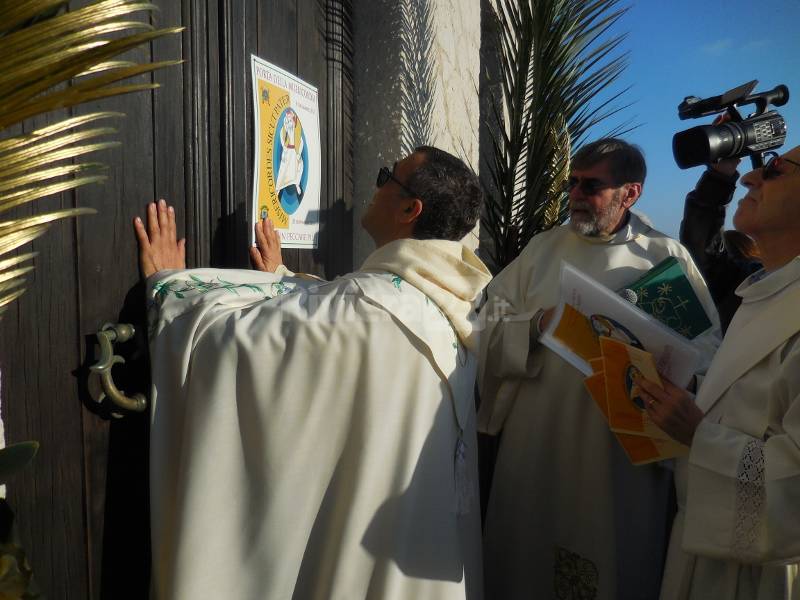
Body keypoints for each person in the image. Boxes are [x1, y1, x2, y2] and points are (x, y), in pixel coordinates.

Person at [135, 146, 492, 600]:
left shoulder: (362, 312)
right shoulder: (447, 306)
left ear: (409, 209)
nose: (377, 183)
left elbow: (237, 345)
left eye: (388, 176)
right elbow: (339, 312)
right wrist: (282, 279)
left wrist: (173, 289)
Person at [477, 138, 721, 600]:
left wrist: (666, 368)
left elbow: (708, 355)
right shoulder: (541, 250)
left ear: (631, 194)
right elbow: (485, 323)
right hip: (537, 446)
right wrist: (537, 325)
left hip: (618, 459)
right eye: (572, 183)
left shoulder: (664, 259)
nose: (574, 195)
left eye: (591, 186)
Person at [638, 146, 800, 600]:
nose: (750, 180)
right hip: (703, 541)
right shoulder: (764, 289)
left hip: (763, 574)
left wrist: (699, 433)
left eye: (773, 171)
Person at [680, 155, 761, 333]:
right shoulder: (745, 280)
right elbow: (702, 252)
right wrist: (719, 176)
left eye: (776, 171)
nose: (746, 179)